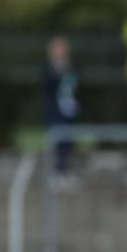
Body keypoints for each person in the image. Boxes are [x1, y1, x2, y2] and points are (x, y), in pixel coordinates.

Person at [42, 36, 80, 189]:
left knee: (68, 142)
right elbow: (47, 89)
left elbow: (76, 87)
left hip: (69, 111)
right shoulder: (48, 68)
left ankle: (66, 170)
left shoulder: (71, 67)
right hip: (54, 111)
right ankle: (56, 171)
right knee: (56, 142)